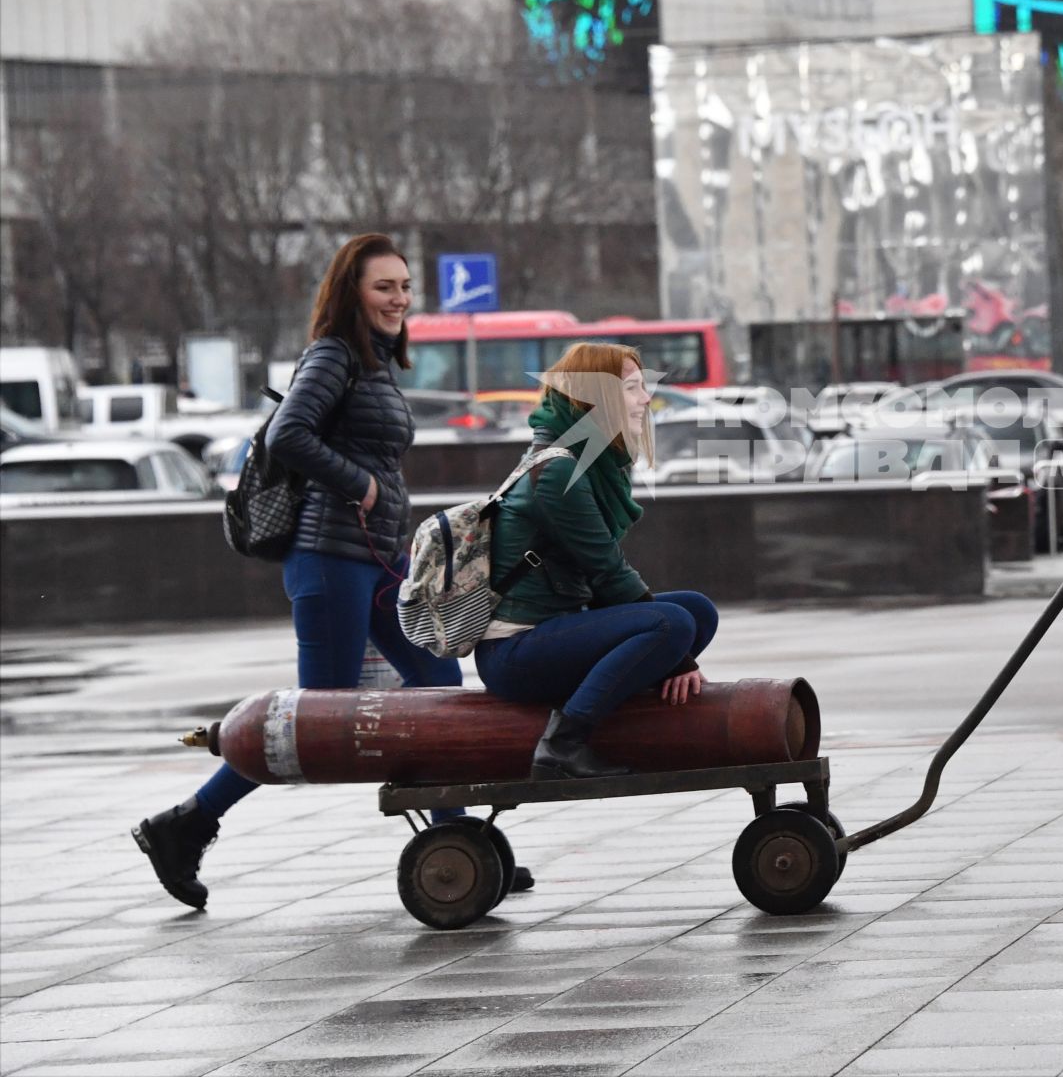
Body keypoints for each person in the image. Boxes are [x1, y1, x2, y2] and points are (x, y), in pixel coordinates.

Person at [133, 234, 468, 910]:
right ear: (352, 292)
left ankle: (458, 844)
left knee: (437, 678)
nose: (399, 297)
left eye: (404, 286)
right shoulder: (333, 354)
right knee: (317, 716)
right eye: (384, 286)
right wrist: (361, 485)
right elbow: (289, 433)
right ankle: (187, 822)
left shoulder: (374, 364)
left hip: (372, 558)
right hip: (329, 558)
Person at [476, 343, 717, 779]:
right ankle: (562, 744)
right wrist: (680, 658)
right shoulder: (558, 472)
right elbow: (608, 573)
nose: (646, 398)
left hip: (556, 629)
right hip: (515, 652)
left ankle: (608, 699)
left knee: (697, 612)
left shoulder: (588, 460)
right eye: (631, 387)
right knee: (673, 624)